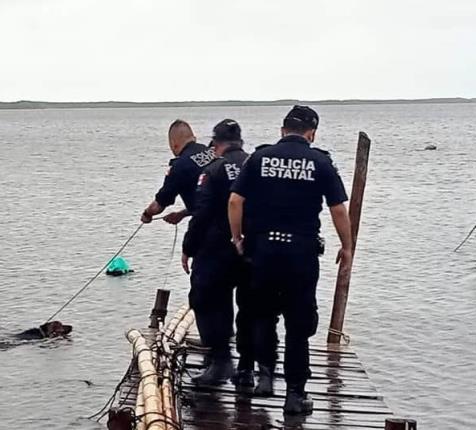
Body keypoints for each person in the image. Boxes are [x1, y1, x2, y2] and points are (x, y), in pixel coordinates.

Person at [227, 105, 353, 415]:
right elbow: (338, 209)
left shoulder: (259, 158)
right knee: (299, 325)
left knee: (263, 315)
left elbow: (234, 200)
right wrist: (347, 246)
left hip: (263, 251)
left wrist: (237, 237)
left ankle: (266, 377)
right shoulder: (321, 162)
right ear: (312, 133)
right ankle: (295, 395)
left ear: (283, 130)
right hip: (301, 254)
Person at [181, 119, 250, 386]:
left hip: (217, 248)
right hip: (250, 246)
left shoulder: (214, 170)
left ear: (216, 144)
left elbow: (203, 213)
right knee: (249, 306)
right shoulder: (254, 164)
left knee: (205, 300)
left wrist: (188, 247)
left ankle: (220, 361)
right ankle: (248, 369)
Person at [141, 120, 215, 225]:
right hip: (231, 216)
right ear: (193, 138)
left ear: (173, 144)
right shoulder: (211, 152)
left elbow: (159, 204)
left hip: (209, 224)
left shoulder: (180, 166)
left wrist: (147, 214)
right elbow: (209, 199)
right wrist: (182, 214)